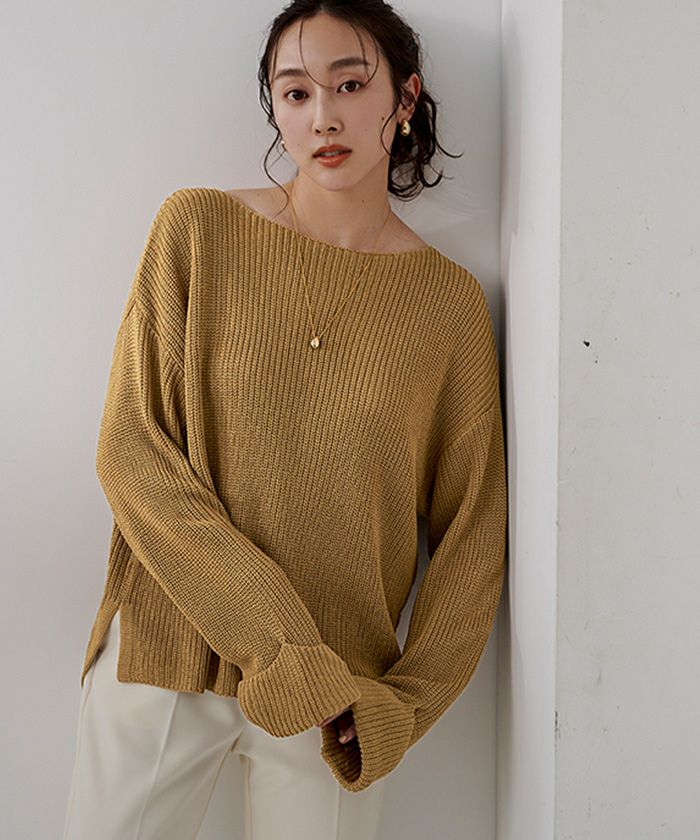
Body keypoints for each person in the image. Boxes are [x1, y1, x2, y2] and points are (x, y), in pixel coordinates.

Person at [62, 1, 508, 838]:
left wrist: (405, 706)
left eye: (351, 84)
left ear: (405, 98)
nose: (324, 116)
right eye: (296, 93)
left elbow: (473, 536)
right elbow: (132, 450)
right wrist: (276, 646)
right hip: (170, 651)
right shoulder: (197, 230)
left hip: (337, 698)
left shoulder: (447, 306)